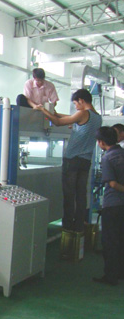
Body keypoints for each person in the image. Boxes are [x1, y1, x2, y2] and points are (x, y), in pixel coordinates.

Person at [35, 88, 102, 232]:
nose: (76, 107)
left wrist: (42, 110)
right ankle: (79, 226)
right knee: (81, 195)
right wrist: (53, 112)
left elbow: (59, 122)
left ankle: (67, 228)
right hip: (86, 161)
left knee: (69, 195)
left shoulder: (83, 113)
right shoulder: (97, 117)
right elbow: (69, 117)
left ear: (81, 101)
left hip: (72, 160)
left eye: (76, 104)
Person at [92, 126, 124, 286]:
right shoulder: (122, 153)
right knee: (121, 239)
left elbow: (112, 183)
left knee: (110, 241)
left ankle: (111, 276)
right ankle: (120, 273)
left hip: (113, 205)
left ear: (101, 142)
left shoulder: (107, 158)